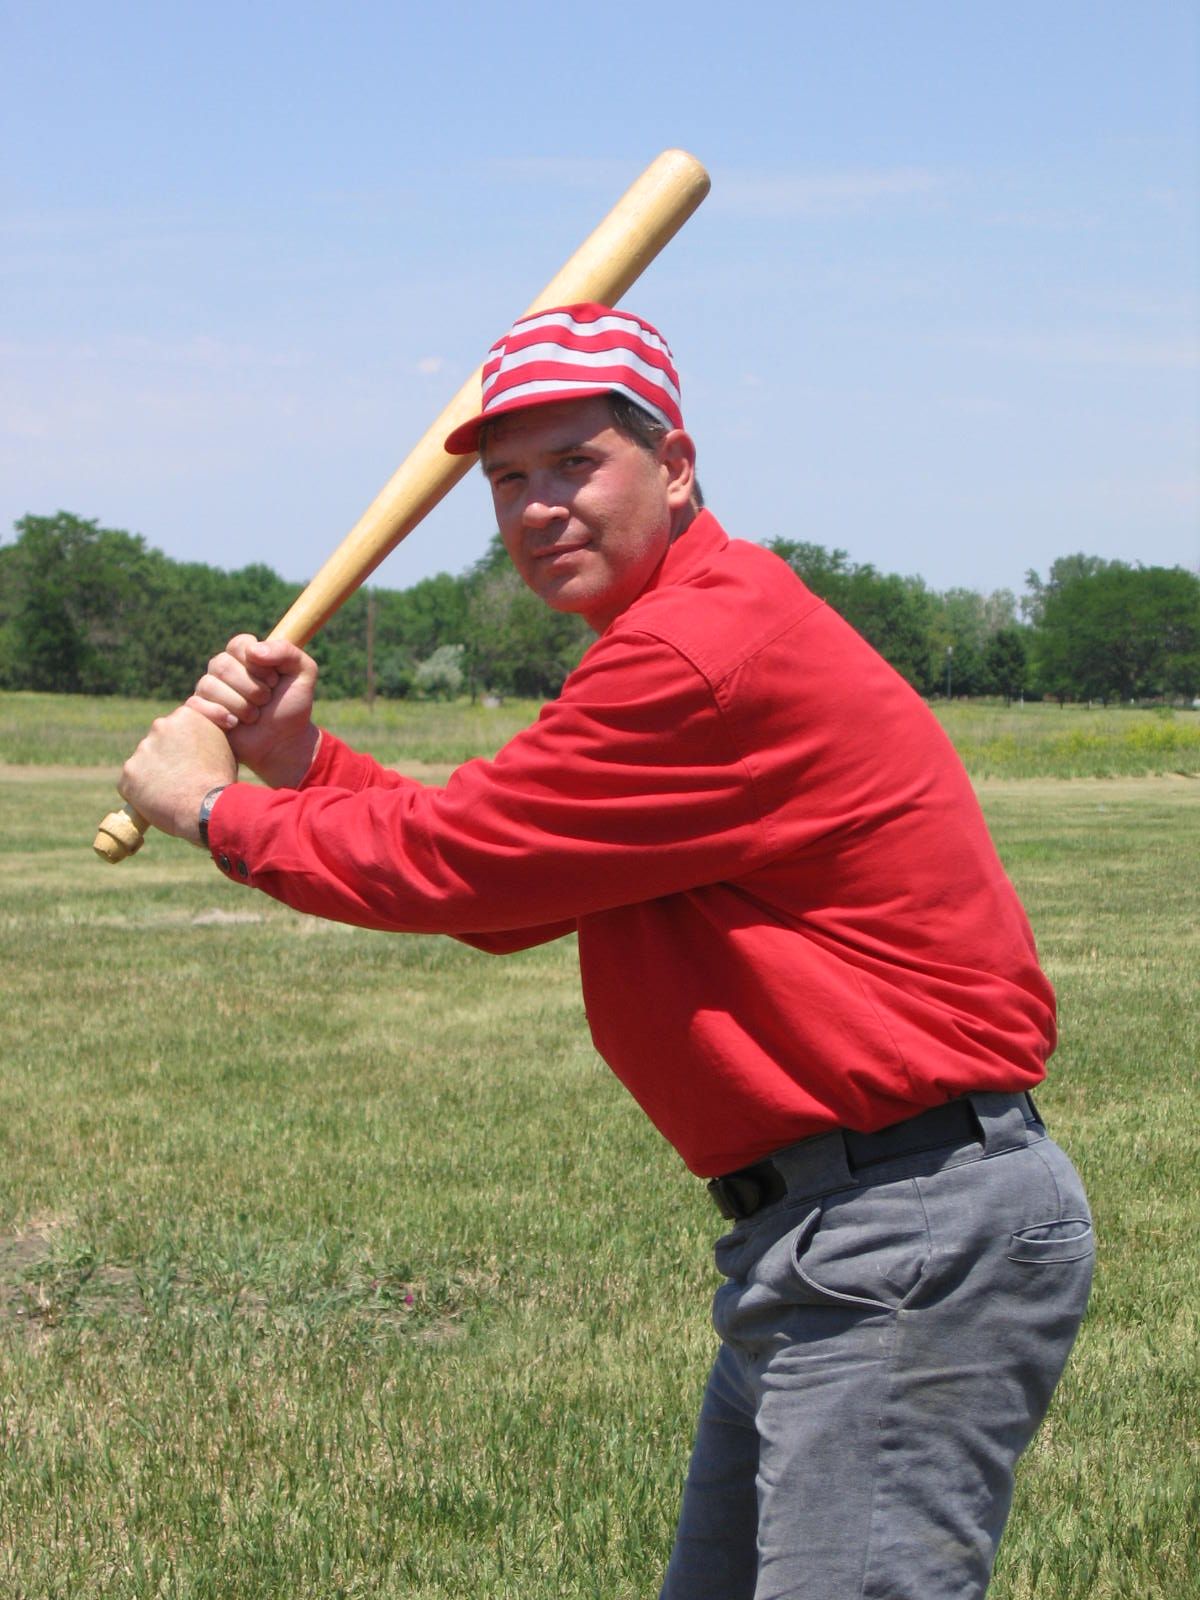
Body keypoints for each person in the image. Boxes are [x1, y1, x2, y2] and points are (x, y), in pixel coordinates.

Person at [120, 302, 1094, 1600]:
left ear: (675, 465)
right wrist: (304, 765)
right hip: (832, 1228)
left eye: (576, 464)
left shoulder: (697, 653)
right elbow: (512, 890)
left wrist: (214, 808)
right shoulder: (684, 633)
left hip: (900, 1230)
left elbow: (456, 862)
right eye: (507, 479)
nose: (537, 507)